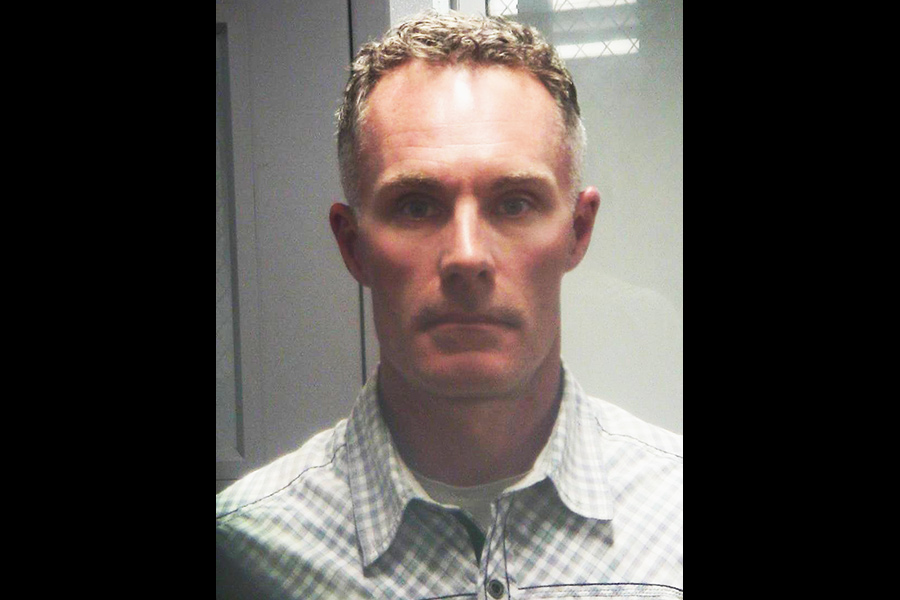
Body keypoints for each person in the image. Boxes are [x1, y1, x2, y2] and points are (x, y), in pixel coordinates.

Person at [216, 12, 682, 600]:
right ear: (353, 245)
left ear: (578, 231)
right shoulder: (242, 552)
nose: (466, 256)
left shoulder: (674, 520)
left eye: (514, 203)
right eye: (416, 205)